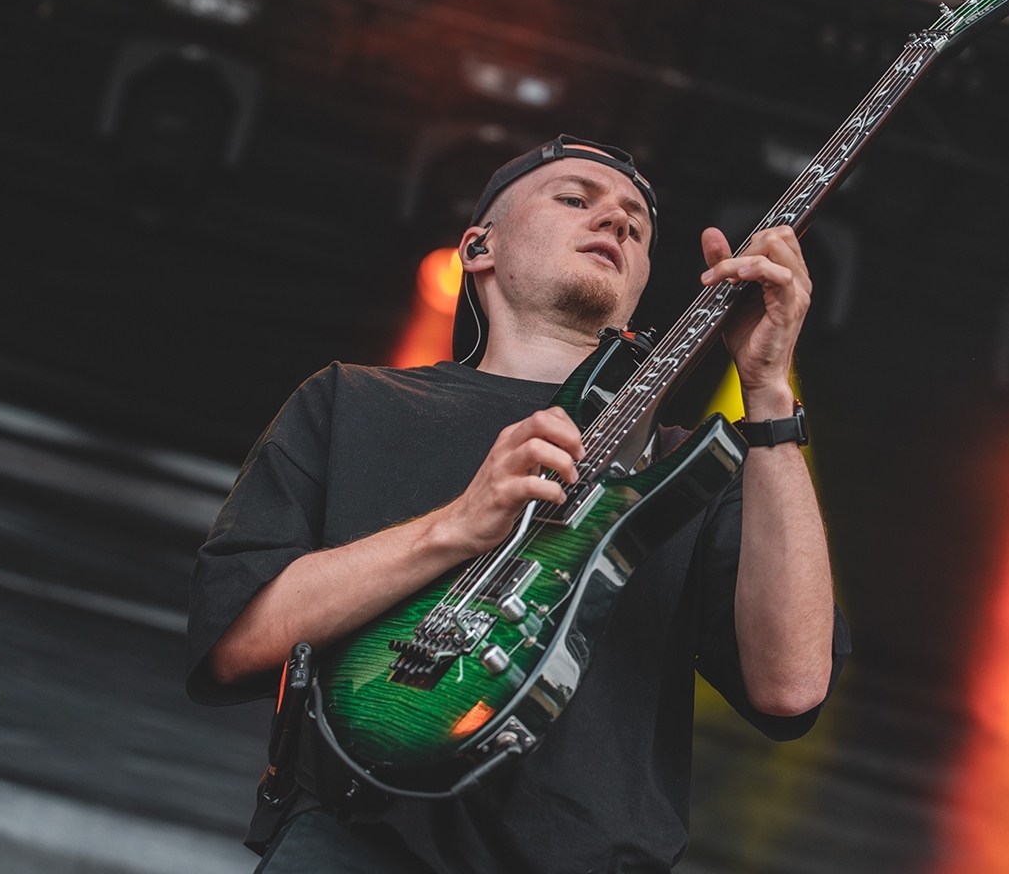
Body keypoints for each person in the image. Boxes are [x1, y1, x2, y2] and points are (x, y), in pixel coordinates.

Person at [187, 135, 850, 873]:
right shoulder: (351, 401)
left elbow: (791, 686)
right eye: (575, 198)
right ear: (480, 247)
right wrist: (457, 525)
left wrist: (768, 390)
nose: (616, 220)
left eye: (636, 226)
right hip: (350, 841)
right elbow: (235, 645)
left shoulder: (690, 471)